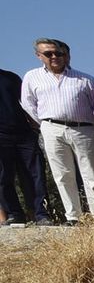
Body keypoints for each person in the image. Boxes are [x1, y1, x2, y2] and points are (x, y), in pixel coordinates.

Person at [22, 38, 94, 223]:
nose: (54, 56)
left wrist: (93, 125)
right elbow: (28, 104)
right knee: (62, 175)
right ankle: (73, 216)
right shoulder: (32, 77)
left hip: (83, 129)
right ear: (38, 56)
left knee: (91, 175)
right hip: (51, 128)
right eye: (48, 53)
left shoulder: (84, 79)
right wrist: (46, 124)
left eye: (58, 53)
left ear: (65, 55)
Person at [0, 65, 49, 225]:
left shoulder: (12, 78)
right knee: (3, 177)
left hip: (24, 133)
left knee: (36, 175)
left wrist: (37, 127)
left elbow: (26, 103)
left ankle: (41, 214)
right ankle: (14, 214)